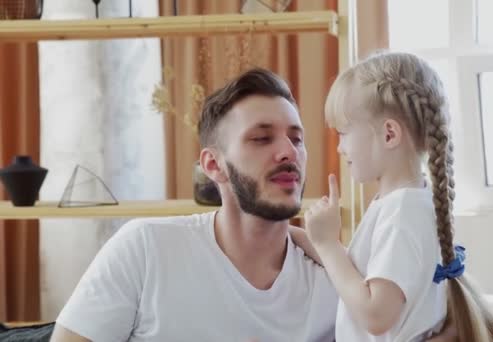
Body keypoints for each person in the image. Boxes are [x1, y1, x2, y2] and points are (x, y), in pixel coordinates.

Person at [50, 68, 459, 341]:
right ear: (214, 166)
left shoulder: (336, 281)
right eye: (262, 138)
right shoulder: (146, 248)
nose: (288, 152)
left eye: (297, 139)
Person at [300, 52, 493, 342]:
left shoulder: (402, 214)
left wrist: (327, 245)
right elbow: (364, 274)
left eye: (344, 133)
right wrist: (312, 239)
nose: (340, 148)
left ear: (389, 134)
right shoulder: (406, 202)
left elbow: (376, 315)